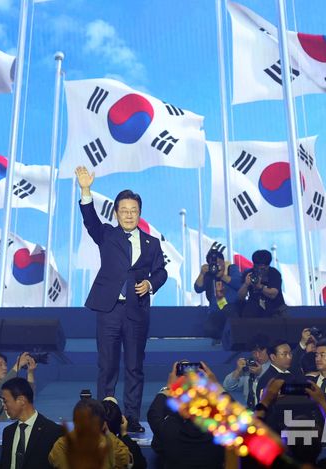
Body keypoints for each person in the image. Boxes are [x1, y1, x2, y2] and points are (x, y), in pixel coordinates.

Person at [76, 166, 168, 433]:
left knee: (134, 366)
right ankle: (104, 417)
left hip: (137, 311)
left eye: (133, 210)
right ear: (116, 213)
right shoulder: (106, 234)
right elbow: (90, 220)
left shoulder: (152, 243)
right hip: (109, 309)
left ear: (140, 213)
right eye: (124, 210)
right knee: (107, 365)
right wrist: (86, 190)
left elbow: (161, 272)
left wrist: (150, 284)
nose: (129, 214)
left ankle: (132, 417)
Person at [147, 362, 224, 469]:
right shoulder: (219, 430)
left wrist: (169, 388)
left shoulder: (170, 429)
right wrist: (216, 387)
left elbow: (154, 414)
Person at [49, 398, 132, 469]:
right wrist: (107, 433)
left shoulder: (61, 445)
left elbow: (53, 459)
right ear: (103, 425)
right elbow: (126, 461)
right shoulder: (112, 447)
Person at [0, 377, 62, 469]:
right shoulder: (8, 432)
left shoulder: (52, 431)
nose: (4, 407)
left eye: (5, 401)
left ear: (21, 400)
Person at [193, 246, 242, 342]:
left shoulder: (231, 269)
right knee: (209, 329)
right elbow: (198, 288)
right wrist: (202, 273)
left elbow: (239, 284)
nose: (217, 265)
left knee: (229, 313)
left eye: (219, 262)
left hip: (233, 308)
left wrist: (222, 276)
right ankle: (222, 339)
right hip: (216, 311)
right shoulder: (209, 274)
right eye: (214, 263)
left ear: (223, 262)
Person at [222, 335, 271, 408]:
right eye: (254, 353)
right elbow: (227, 386)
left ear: (268, 350)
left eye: (260, 352)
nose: (257, 356)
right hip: (250, 410)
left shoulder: (276, 367)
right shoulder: (248, 369)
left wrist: (260, 374)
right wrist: (237, 371)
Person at [237, 249, 286, 317]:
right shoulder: (249, 274)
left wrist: (260, 287)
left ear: (267, 266)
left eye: (262, 269)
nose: (259, 271)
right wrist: (246, 284)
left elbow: (273, 294)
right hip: (254, 307)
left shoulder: (274, 273)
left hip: (275, 308)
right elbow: (240, 297)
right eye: (256, 268)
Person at [102, 397, 146, 469]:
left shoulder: (85, 446)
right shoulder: (125, 451)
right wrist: (124, 434)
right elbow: (141, 465)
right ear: (121, 422)